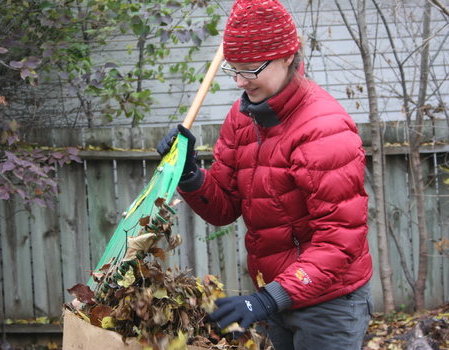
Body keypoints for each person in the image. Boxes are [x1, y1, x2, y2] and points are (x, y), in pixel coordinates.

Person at [157, 0, 374, 348]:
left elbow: (340, 240)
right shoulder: (243, 118)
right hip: (278, 296)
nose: (240, 81)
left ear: (288, 56)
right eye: (234, 68)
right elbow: (224, 207)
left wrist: (268, 298)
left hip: (330, 303)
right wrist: (190, 174)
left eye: (251, 68)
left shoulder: (324, 130)